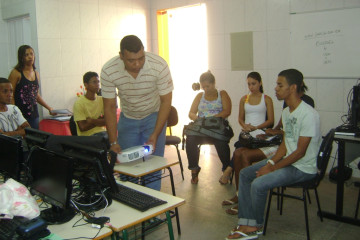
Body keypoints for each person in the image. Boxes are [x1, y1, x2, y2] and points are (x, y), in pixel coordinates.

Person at [225, 69, 321, 240]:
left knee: (259, 184)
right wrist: (270, 164)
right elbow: (285, 145)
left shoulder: (308, 114)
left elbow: (300, 152)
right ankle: (246, 221)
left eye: (279, 85)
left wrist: (273, 168)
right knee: (247, 174)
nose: (275, 88)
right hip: (288, 160)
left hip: (302, 167)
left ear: (292, 88)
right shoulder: (287, 112)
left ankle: (256, 226)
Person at [100, 35, 173, 191]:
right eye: (131, 61)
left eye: (141, 58)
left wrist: (155, 134)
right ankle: (132, 204)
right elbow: (110, 107)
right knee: (127, 168)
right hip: (128, 119)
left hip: (154, 116)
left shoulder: (158, 65)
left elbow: (166, 102)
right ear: (121, 56)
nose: (137, 64)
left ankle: (152, 210)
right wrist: (113, 142)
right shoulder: (109, 70)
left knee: (152, 166)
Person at [219, 71, 274, 188]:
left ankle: (229, 170)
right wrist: (245, 126)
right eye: (248, 84)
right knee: (241, 143)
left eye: (253, 84)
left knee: (239, 147)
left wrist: (257, 127)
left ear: (260, 83)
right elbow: (240, 118)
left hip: (260, 134)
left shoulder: (267, 99)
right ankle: (235, 177)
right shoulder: (244, 99)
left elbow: (271, 121)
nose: (251, 87)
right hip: (246, 133)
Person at [186, 70, 232, 184]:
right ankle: (194, 169)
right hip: (201, 130)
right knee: (190, 139)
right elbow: (191, 113)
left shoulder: (222, 94)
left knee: (221, 141)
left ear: (214, 83)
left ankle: (226, 170)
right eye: (203, 87)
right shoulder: (199, 96)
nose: (206, 89)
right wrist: (199, 119)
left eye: (208, 86)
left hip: (217, 129)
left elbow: (227, 111)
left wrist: (213, 119)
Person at [8, 45, 55, 129]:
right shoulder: (16, 73)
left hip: (34, 115)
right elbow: (10, 95)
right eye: (26, 55)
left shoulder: (36, 73)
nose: (30, 57)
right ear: (21, 57)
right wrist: (14, 113)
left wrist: (49, 108)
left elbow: (35, 94)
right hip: (19, 115)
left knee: (34, 138)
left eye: (31, 54)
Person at [73, 72, 107, 137]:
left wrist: (91, 121)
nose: (97, 85)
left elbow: (107, 121)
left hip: (103, 133)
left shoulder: (101, 100)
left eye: (98, 82)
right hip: (88, 137)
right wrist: (99, 120)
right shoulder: (79, 103)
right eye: (94, 82)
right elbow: (82, 128)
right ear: (86, 85)